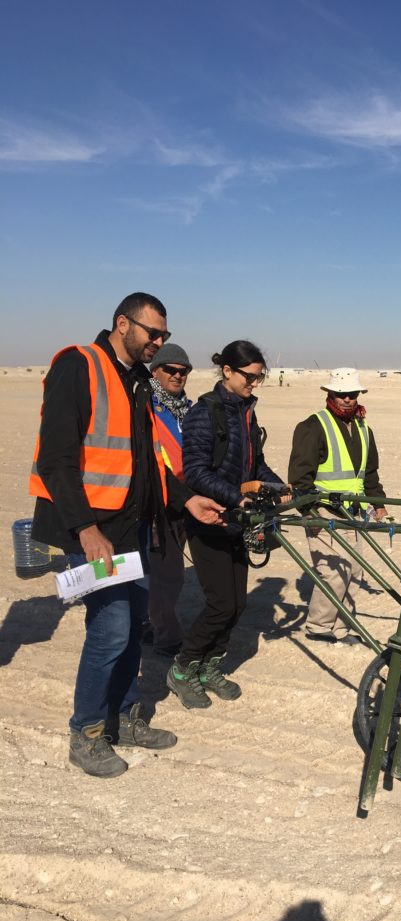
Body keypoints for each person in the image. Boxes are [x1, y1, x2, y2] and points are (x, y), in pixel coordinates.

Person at [29, 293, 225, 779]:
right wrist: (85, 528)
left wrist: (186, 500)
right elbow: (56, 460)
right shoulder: (79, 366)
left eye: (164, 335)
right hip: (93, 533)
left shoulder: (138, 381)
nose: (159, 343)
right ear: (122, 324)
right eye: (152, 334)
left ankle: (123, 717)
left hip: (132, 530)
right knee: (110, 630)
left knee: (134, 625)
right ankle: (87, 732)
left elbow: (146, 463)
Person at [166, 339, 289, 710]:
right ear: (228, 371)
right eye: (250, 376)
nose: (255, 383)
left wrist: (279, 487)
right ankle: (183, 668)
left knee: (236, 605)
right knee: (220, 603)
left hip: (238, 520)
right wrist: (237, 496)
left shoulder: (246, 413)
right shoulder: (205, 413)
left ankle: (210, 666)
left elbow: (255, 466)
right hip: (209, 520)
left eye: (259, 377)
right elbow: (196, 472)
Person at [288, 368, 387, 644]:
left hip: (354, 511)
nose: (346, 399)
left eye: (351, 394)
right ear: (330, 394)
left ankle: (342, 627)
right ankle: (319, 627)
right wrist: (310, 514)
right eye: (341, 394)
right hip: (323, 510)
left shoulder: (364, 428)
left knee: (353, 571)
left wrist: (378, 504)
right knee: (333, 573)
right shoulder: (313, 426)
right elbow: (299, 478)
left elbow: (370, 473)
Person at [146, 343, 194, 657]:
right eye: (170, 370)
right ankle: (166, 639)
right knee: (168, 573)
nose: (178, 376)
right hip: (158, 503)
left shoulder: (186, 409)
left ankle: (150, 626)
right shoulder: (145, 406)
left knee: (161, 574)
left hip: (186, 500)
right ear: (155, 371)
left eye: (183, 371)